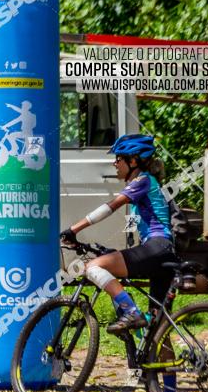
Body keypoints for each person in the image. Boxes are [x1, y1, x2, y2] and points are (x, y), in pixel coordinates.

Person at [60, 134, 178, 334]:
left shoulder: (142, 181)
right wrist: (113, 252)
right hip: (161, 252)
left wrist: (73, 229)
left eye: (118, 158)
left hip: (157, 247)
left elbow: (110, 207)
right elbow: (132, 229)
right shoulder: (141, 192)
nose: (114, 163)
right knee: (157, 330)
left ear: (133, 161)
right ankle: (160, 364)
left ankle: (130, 310)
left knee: (92, 268)